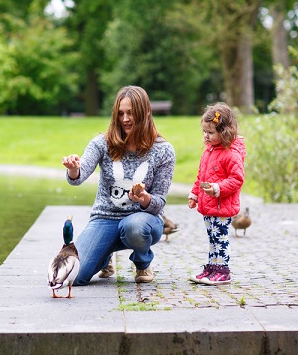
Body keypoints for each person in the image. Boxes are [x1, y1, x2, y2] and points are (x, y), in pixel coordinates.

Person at [62, 85, 175, 285]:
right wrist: (73, 168)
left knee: (134, 227)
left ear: (146, 112)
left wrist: (144, 198)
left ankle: (142, 262)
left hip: (142, 221)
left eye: (131, 113)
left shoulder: (163, 151)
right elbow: (78, 176)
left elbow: (159, 203)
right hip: (105, 218)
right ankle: (104, 256)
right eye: (120, 113)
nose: (125, 119)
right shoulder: (101, 143)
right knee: (75, 277)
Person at [188, 102, 246, 285]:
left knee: (220, 239)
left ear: (225, 132)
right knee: (212, 238)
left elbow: (237, 179)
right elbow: (201, 176)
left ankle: (223, 270)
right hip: (208, 205)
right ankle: (213, 268)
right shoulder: (209, 151)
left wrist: (218, 188)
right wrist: (195, 194)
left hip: (222, 205)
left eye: (210, 132)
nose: (206, 136)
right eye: (204, 132)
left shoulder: (231, 154)